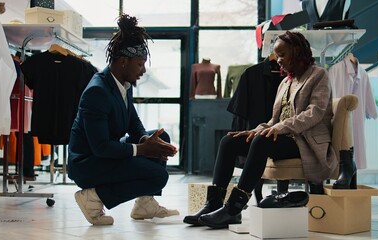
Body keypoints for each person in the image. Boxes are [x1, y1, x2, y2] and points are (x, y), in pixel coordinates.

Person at [183, 31, 337, 229]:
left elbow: (314, 113)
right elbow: (274, 119)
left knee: (262, 141)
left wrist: (276, 129)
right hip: (285, 138)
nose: (277, 60)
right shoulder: (285, 81)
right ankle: (213, 203)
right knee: (229, 141)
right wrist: (255, 130)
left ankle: (234, 208)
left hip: (305, 141)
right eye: (276, 55)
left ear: (296, 51)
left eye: (281, 54)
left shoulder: (319, 75)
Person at [68, 14, 179, 226]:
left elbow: (133, 122)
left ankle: (144, 204)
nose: (144, 71)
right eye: (140, 65)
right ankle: (93, 198)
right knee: (158, 177)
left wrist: (147, 140)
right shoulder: (97, 93)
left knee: (159, 136)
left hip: (105, 155)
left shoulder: (122, 84)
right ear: (123, 61)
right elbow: (100, 148)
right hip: (88, 164)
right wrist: (143, 150)